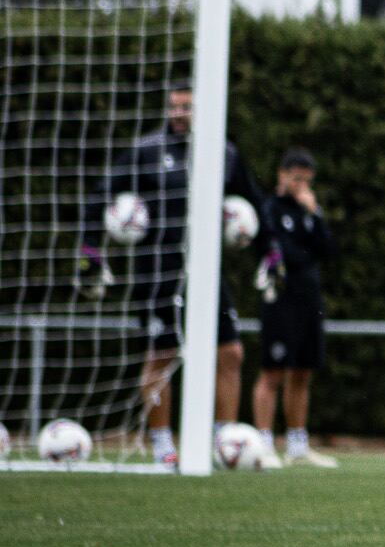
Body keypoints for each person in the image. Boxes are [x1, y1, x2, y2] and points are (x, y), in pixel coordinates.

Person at [79, 83, 267, 467]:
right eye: (175, 107)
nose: (180, 114)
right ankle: (162, 442)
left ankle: (223, 441)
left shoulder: (223, 153)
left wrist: (271, 254)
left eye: (188, 107)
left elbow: (254, 203)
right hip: (157, 271)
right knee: (162, 354)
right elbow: (101, 194)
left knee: (231, 352)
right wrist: (90, 251)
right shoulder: (147, 150)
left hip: (206, 271)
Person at [251, 147, 337, 468]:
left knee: (302, 371)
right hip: (280, 298)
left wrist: (315, 214)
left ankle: (297, 444)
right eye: (296, 178)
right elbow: (282, 251)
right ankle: (263, 443)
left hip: (309, 299)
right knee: (273, 372)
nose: (300, 185)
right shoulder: (269, 208)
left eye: (306, 180)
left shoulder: (308, 210)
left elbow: (327, 249)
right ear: (282, 174)